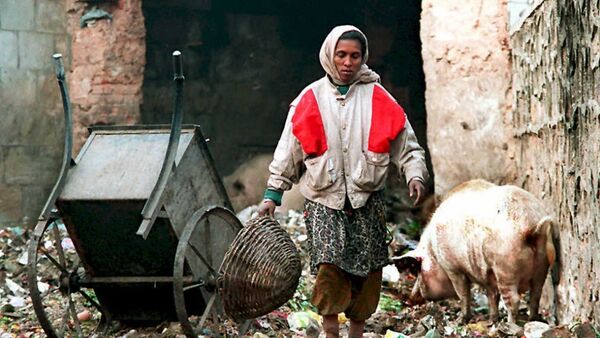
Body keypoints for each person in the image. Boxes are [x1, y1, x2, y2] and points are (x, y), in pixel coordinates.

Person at [258, 25, 429, 338]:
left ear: (363, 58)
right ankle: (332, 330)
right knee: (329, 266)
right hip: (324, 200)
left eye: (355, 55)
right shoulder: (309, 99)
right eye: (342, 55)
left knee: (369, 268)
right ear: (329, 56)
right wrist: (273, 193)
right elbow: (289, 149)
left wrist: (415, 174)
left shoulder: (378, 96)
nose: (348, 62)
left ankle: (357, 331)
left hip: (368, 200)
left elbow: (407, 143)